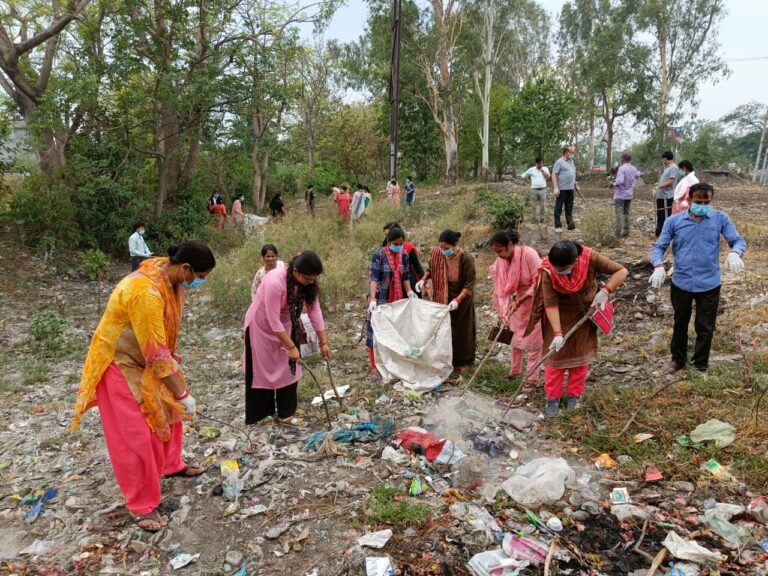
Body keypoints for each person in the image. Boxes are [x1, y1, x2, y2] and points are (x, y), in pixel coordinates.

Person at [72, 241, 216, 532]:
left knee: (169, 412)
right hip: (121, 360)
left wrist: (176, 385)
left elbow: (163, 339)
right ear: (186, 268)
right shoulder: (144, 292)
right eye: (199, 275)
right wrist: (183, 393)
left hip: (149, 357)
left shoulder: (173, 278)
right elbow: (155, 353)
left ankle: (171, 464)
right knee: (137, 432)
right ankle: (141, 504)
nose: (199, 282)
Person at [649, 182, 746, 375]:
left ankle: (700, 364)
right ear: (688, 199)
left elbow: (737, 241)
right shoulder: (674, 221)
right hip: (682, 282)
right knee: (680, 323)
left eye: (706, 201)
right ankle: (678, 360)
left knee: (705, 326)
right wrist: (658, 265)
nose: (702, 205)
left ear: (711, 200)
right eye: (697, 201)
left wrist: (735, 253)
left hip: (709, 283)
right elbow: (659, 246)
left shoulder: (720, 219)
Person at [523, 240, 627, 416]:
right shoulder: (547, 270)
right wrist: (557, 333)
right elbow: (550, 303)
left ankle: (574, 397)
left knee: (580, 357)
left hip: (584, 315)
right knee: (554, 359)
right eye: (557, 268)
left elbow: (621, 270)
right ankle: (552, 399)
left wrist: (606, 291)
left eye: (563, 269)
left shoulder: (590, 257)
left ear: (575, 261)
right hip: (558, 316)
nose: (560, 272)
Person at [243, 251, 331, 424]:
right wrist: (291, 347)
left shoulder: (308, 284)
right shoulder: (275, 281)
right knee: (262, 369)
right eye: (308, 278)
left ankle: (285, 412)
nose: (311, 281)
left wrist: (324, 342)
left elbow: (315, 311)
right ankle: (262, 415)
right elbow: (272, 318)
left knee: (289, 368)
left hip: (287, 325)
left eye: (314, 278)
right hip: (261, 326)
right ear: (296, 271)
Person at [417, 230, 477, 372]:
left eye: (446, 248)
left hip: (462, 297)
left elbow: (469, 284)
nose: (443, 250)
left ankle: (462, 361)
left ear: (456, 245)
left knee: (462, 329)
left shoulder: (466, 259)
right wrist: (423, 279)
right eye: (441, 247)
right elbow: (431, 269)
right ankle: (445, 357)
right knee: (444, 327)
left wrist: (457, 300)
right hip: (443, 294)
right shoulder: (437, 254)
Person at [489, 230, 543, 385]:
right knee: (515, 338)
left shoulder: (529, 254)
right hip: (514, 303)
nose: (498, 255)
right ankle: (515, 371)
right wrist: (503, 312)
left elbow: (539, 280)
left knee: (533, 341)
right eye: (495, 252)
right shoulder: (501, 261)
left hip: (533, 301)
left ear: (510, 245)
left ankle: (532, 378)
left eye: (500, 251)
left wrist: (522, 299)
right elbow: (500, 285)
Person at [367, 226, 418, 374]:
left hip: (397, 297)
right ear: (389, 242)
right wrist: (372, 298)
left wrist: (409, 291)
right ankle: (374, 364)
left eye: (401, 243)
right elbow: (374, 278)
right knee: (375, 328)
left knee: (395, 329)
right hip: (380, 296)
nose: (398, 246)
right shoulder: (379, 254)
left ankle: (392, 360)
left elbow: (405, 275)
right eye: (395, 244)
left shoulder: (404, 255)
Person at [382, 221, 424, 290]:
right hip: (391, 286)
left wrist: (424, 282)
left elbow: (417, 267)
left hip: (409, 283)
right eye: (386, 235)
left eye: (388, 235)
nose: (387, 238)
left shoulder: (408, 248)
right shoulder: (382, 251)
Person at [608, 151, 641, 238]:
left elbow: (620, 181)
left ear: (622, 158)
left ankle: (618, 234)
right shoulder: (633, 168)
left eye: (620, 157)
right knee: (626, 213)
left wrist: (613, 184)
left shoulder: (622, 168)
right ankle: (626, 231)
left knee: (618, 214)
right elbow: (638, 175)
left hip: (620, 195)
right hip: (629, 195)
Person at [551, 145, 580, 232]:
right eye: (572, 152)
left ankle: (571, 226)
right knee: (558, 207)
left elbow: (572, 174)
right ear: (567, 152)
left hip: (570, 189)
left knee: (569, 207)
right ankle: (558, 226)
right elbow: (554, 174)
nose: (573, 154)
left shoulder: (571, 161)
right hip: (562, 189)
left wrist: (576, 184)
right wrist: (555, 188)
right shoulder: (559, 162)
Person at [652, 151, 678, 237]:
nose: (662, 160)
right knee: (660, 215)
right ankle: (659, 233)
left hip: (666, 197)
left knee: (665, 216)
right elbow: (664, 180)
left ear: (665, 158)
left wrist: (658, 187)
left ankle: (666, 235)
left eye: (663, 158)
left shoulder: (673, 167)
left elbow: (670, 182)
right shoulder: (667, 167)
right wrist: (657, 185)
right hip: (661, 196)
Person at [522, 157, 550, 224]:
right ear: (536, 163)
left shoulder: (545, 169)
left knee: (542, 205)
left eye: (541, 164)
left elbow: (548, 176)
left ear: (542, 163)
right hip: (534, 190)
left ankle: (542, 219)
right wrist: (529, 182)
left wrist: (543, 171)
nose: (540, 165)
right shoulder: (531, 169)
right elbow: (523, 176)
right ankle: (534, 220)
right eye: (538, 164)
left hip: (543, 190)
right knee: (533, 205)